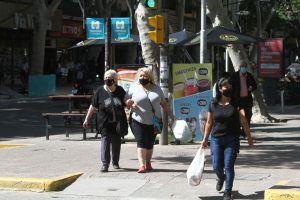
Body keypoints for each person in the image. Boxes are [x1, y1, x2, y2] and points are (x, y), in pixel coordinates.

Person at [200, 75, 254, 200]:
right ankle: (221, 178)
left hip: (232, 139)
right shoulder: (213, 103)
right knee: (216, 165)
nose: (228, 88)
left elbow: (244, 121)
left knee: (228, 166)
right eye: (226, 86)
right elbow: (209, 122)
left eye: (230, 86)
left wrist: (249, 137)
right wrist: (204, 139)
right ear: (220, 88)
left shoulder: (237, 103)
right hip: (216, 139)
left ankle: (227, 193)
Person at [126, 67, 174, 173]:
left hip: (154, 121)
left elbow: (164, 104)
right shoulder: (133, 88)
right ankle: (142, 165)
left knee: (150, 143)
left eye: (145, 76)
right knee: (141, 142)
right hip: (137, 120)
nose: (143, 78)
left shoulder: (157, 89)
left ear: (150, 77)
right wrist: (128, 102)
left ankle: (148, 162)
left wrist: (171, 115)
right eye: (141, 76)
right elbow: (126, 99)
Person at [83, 69, 128, 172]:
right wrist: (86, 119)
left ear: (115, 80)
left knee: (117, 142)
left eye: (110, 78)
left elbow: (125, 100)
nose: (108, 80)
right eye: (106, 78)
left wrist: (128, 101)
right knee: (105, 141)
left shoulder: (120, 90)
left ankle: (115, 162)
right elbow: (93, 106)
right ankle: (105, 164)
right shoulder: (99, 91)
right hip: (104, 122)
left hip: (118, 122)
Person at [232, 62, 257, 138]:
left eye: (245, 67)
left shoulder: (249, 76)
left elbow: (255, 85)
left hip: (247, 100)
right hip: (237, 100)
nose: (244, 68)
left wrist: (251, 87)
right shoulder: (235, 76)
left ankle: (245, 132)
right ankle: (237, 132)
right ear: (239, 67)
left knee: (248, 116)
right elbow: (231, 86)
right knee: (237, 117)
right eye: (242, 67)